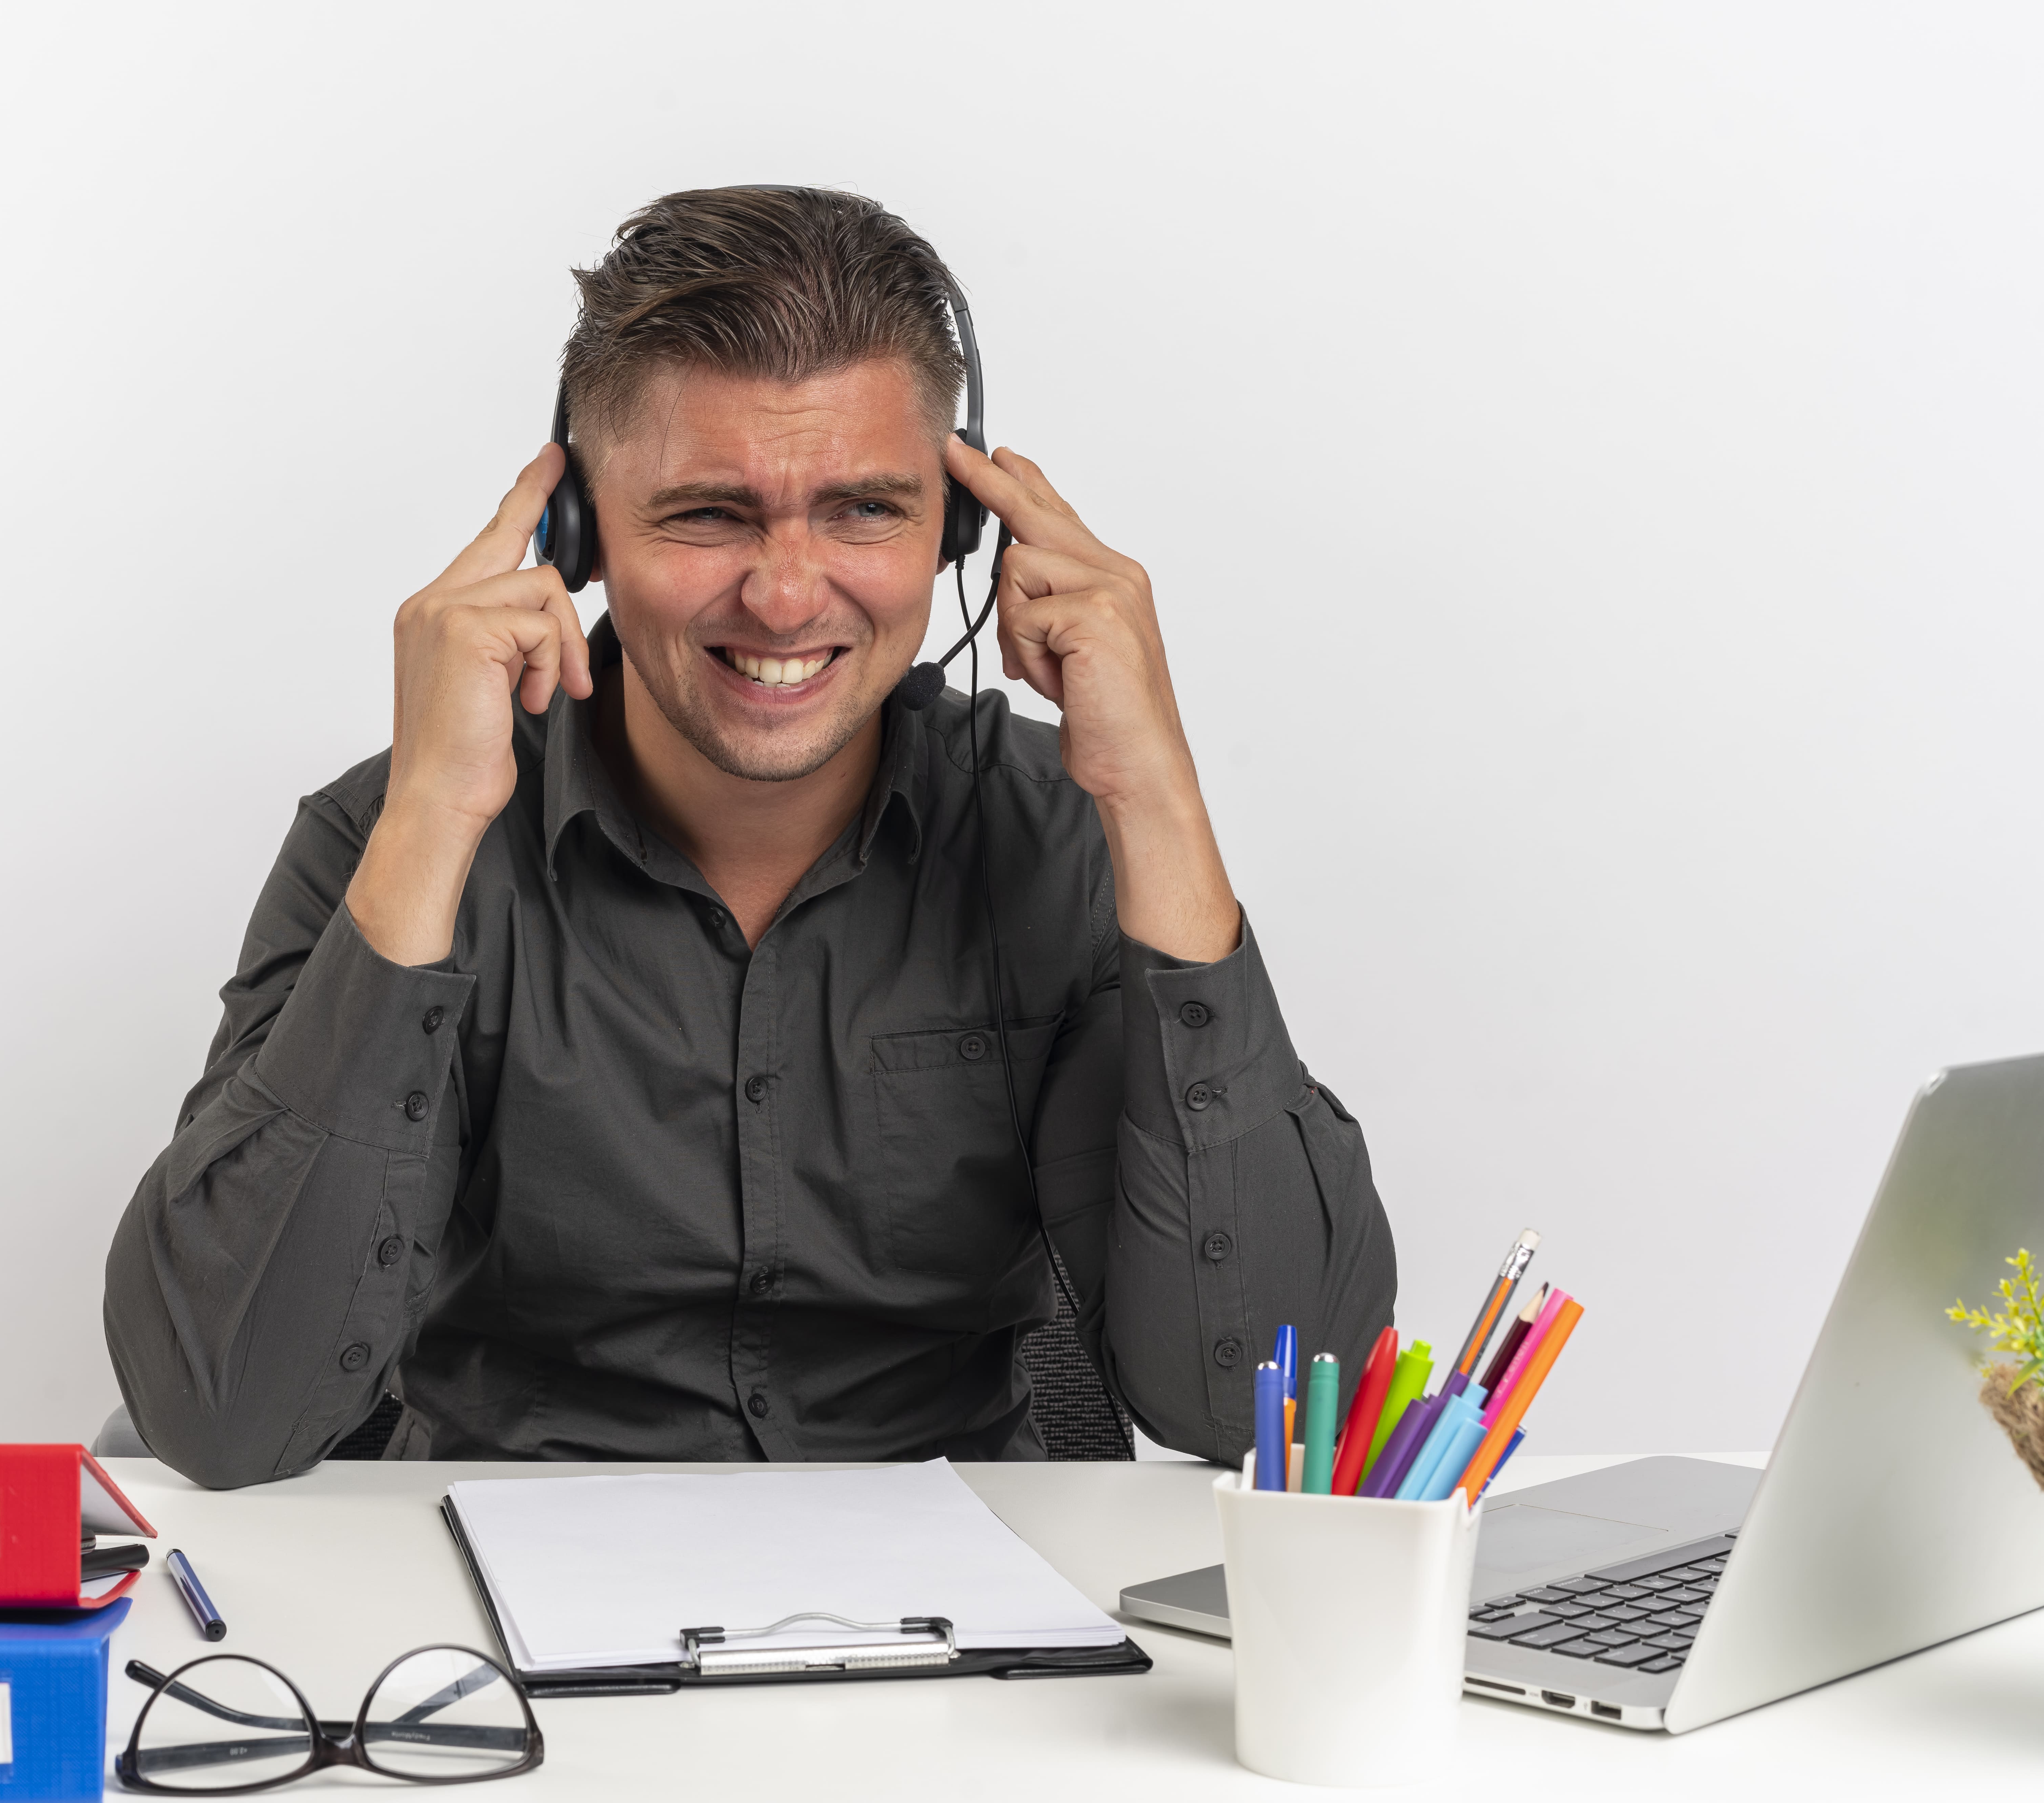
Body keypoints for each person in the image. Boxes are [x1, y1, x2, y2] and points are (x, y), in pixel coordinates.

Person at [104, 186, 1396, 1487]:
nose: (784, 597)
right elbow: (224, 1413)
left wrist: (1154, 794)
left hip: (969, 1613)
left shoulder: (1061, 836)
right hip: (507, 1606)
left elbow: (1263, 1415)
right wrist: (433, 820)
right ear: (577, 536)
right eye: (708, 513)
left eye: (864, 510)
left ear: (957, 529)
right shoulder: (380, 843)